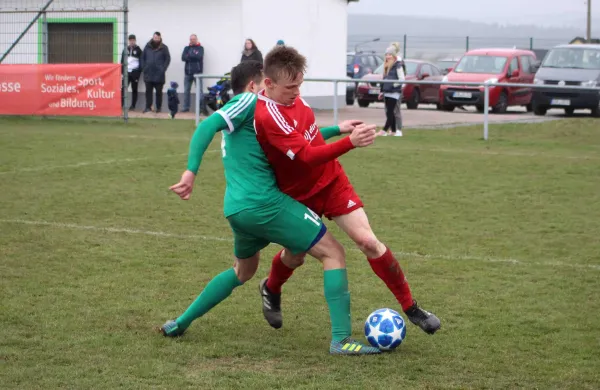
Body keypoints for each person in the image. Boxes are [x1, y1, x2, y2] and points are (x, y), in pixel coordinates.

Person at [161, 60, 380, 356]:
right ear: (255, 84)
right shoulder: (249, 101)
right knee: (334, 253)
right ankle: (341, 341)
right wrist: (190, 172)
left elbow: (299, 144)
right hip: (264, 204)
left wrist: (335, 129)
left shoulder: (260, 118)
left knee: (243, 270)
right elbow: (207, 125)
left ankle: (179, 323)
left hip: (237, 210)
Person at [253, 45, 440, 335]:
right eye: (291, 87)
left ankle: (410, 307)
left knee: (368, 242)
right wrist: (350, 142)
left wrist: (337, 129)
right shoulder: (267, 115)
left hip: (331, 182)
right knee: (296, 255)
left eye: (300, 84)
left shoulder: (294, 100)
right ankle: (271, 287)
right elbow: (304, 156)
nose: (297, 92)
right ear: (269, 83)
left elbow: (310, 137)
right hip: (298, 196)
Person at [378, 46, 405, 136]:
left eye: (389, 54)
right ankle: (393, 131)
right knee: (389, 112)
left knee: (390, 111)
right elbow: (384, 79)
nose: (388, 56)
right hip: (387, 92)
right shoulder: (386, 65)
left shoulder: (398, 65)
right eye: (386, 54)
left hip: (394, 92)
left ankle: (385, 130)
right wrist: (382, 91)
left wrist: (392, 85)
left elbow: (402, 79)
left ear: (393, 55)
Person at [142, 32, 171, 113]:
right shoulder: (147, 47)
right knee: (148, 92)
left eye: (157, 38)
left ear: (160, 38)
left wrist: (163, 69)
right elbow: (142, 58)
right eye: (155, 37)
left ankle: (158, 108)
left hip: (159, 74)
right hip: (148, 73)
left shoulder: (164, 47)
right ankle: (148, 107)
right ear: (153, 37)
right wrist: (144, 68)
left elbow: (167, 59)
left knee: (159, 92)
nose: (156, 39)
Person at [181, 34, 204, 112]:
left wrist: (189, 55)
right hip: (188, 73)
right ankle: (186, 108)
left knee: (200, 91)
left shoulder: (200, 48)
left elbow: (199, 56)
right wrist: (193, 55)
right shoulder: (186, 48)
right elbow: (183, 57)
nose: (192, 40)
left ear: (196, 39)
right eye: (191, 39)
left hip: (198, 73)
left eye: (194, 39)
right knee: (186, 91)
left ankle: (201, 108)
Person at [121, 34, 142, 110]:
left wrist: (138, 72)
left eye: (133, 40)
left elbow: (141, 63)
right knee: (123, 88)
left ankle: (133, 105)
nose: (132, 42)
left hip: (134, 72)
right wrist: (122, 72)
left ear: (135, 41)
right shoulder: (125, 49)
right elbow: (122, 61)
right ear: (129, 41)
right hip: (126, 72)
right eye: (130, 40)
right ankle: (121, 104)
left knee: (134, 89)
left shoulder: (138, 50)